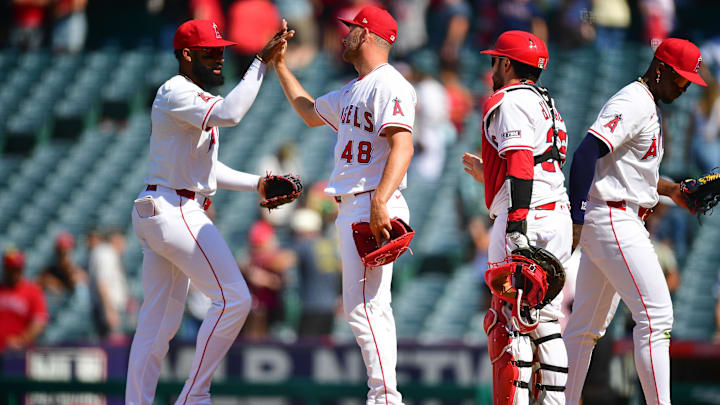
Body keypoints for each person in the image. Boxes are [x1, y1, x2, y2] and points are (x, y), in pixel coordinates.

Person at [125, 19, 293, 405]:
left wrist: (258, 183)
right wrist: (260, 63)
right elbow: (232, 113)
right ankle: (194, 397)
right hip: (176, 209)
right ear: (186, 55)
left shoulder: (188, 98)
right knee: (235, 299)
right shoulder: (176, 90)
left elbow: (206, 170)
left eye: (220, 51)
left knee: (157, 328)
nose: (218, 58)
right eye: (208, 52)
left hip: (164, 206)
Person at [272, 6, 416, 403]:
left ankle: (385, 397)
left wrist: (381, 202)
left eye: (352, 29)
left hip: (373, 201)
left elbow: (403, 146)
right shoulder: (354, 88)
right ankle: (385, 395)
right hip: (357, 204)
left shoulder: (389, 84)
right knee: (366, 308)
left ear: (368, 36)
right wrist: (281, 66)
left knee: (366, 308)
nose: (345, 34)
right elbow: (307, 111)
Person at [564, 38, 707, 405]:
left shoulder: (648, 104)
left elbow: (630, 173)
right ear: (660, 68)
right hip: (612, 217)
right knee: (657, 317)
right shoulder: (634, 101)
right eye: (680, 78)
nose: (686, 85)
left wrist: (672, 190)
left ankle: (558, 400)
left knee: (584, 329)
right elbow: (585, 154)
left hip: (615, 215)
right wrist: (577, 217)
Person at [462, 30, 571, 404]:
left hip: (527, 217)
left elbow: (523, 163)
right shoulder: (547, 104)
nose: (492, 67)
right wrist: (489, 174)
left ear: (506, 63)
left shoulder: (510, 100)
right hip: (556, 216)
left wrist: (516, 226)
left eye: (494, 60)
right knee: (548, 321)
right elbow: (533, 164)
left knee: (507, 320)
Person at [0, 248, 48, 353]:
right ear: (5, 268)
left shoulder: (32, 291)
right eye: (12, 269)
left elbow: (39, 321)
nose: (15, 273)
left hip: (20, 354)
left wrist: (22, 340)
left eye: (18, 269)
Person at [88, 228, 129, 341]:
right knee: (114, 346)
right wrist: (109, 310)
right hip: (109, 308)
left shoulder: (104, 253)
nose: (124, 246)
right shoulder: (106, 254)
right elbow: (102, 283)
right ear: (116, 239)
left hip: (108, 307)